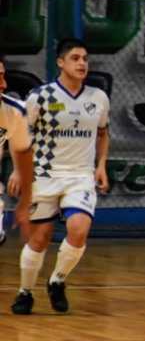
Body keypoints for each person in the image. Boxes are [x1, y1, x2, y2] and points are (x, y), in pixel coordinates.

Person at [8, 39, 110, 315]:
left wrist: (101, 164)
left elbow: (103, 133)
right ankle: (25, 291)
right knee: (39, 238)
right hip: (44, 175)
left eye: (85, 59)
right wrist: (19, 170)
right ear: (60, 63)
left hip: (80, 177)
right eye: (75, 58)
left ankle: (57, 280)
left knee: (79, 228)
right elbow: (20, 135)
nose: (82, 64)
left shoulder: (98, 98)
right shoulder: (40, 97)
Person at [0, 55, 34, 245]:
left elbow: (23, 152)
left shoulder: (14, 111)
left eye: (3, 76)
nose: (4, 84)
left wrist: (18, 171)